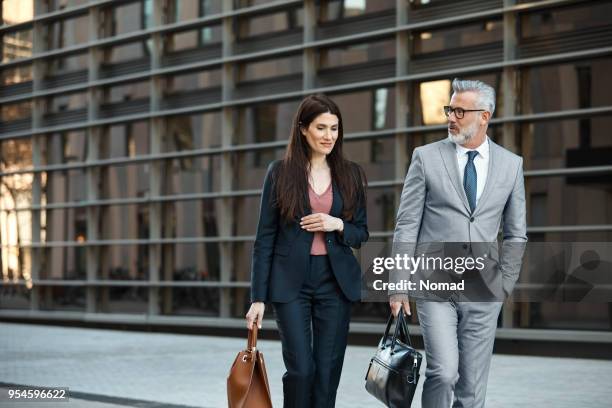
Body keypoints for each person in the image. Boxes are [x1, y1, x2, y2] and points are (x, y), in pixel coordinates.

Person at [389, 78, 527, 408]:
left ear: (485, 116)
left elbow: (516, 233)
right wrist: (398, 286)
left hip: (484, 288)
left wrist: (504, 285)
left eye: (460, 111)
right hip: (434, 284)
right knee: (444, 371)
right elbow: (407, 225)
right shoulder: (425, 157)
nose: (451, 117)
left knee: (472, 387)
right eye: (450, 109)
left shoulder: (511, 165)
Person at [245, 93, 368, 408]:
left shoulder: (351, 174)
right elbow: (264, 238)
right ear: (302, 129)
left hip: (334, 282)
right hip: (291, 284)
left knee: (327, 373)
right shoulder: (280, 172)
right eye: (321, 128)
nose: (329, 136)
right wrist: (257, 298)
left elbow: (360, 233)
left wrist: (336, 223)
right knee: (301, 370)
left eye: (334, 129)